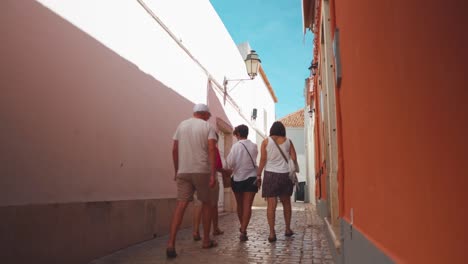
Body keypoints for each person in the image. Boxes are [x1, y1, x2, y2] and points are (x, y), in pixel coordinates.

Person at [166, 103, 218, 258]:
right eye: (208, 116)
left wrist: (177, 170)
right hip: (201, 170)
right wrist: (212, 174)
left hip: (184, 170)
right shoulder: (207, 127)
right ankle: (206, 240)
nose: (208, 119)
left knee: (181, 205)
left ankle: (170, 243)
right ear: (204, 114)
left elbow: (174, 149)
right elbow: (211, 149)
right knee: (206, 204)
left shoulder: (181, 125)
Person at [256, 121, 297, 243]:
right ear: (282, 130)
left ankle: (272, 233)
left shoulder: (265, 142)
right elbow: (294, 159)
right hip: (285, 175)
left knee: (271, 205)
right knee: (286, 204)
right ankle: (288, 229)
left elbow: (263, 160)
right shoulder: (288, 141)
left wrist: (258, 174)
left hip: (270, 175)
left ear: (271, 130)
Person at [226, 125, 259, 242]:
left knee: (239, 205)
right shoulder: (254, 146)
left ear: (238, 134)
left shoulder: (236, 147)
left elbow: (229, 163)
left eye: (235, 134)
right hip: (251, 178)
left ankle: (243, 228)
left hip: (237, 179)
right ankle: (243, 229)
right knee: (247, 206)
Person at [192, 133, 224, 241]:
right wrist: (226, 172)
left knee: (199, 204)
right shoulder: (214, 149)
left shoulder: (198, 148)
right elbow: (218, 166)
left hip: (198, 176)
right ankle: (215, 229)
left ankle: (196, 231)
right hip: (211, 177)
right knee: (213, 204)